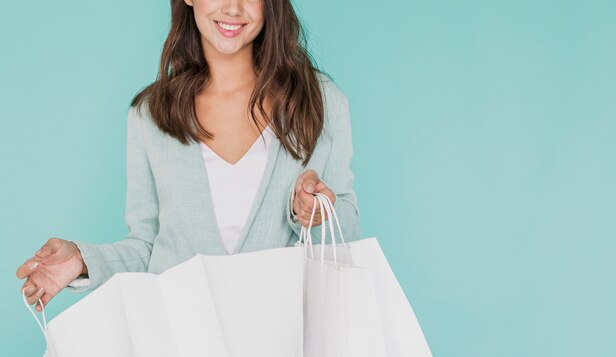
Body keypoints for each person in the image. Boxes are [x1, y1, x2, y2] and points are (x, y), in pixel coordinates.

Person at [16, 0, 360, 312]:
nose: (233, 7)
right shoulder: (150, 115)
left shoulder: (321, 102)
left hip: (284, 347)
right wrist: (82, 260)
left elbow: (346, 230)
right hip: (179, 346)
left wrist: (318, 212)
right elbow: (146, 248)